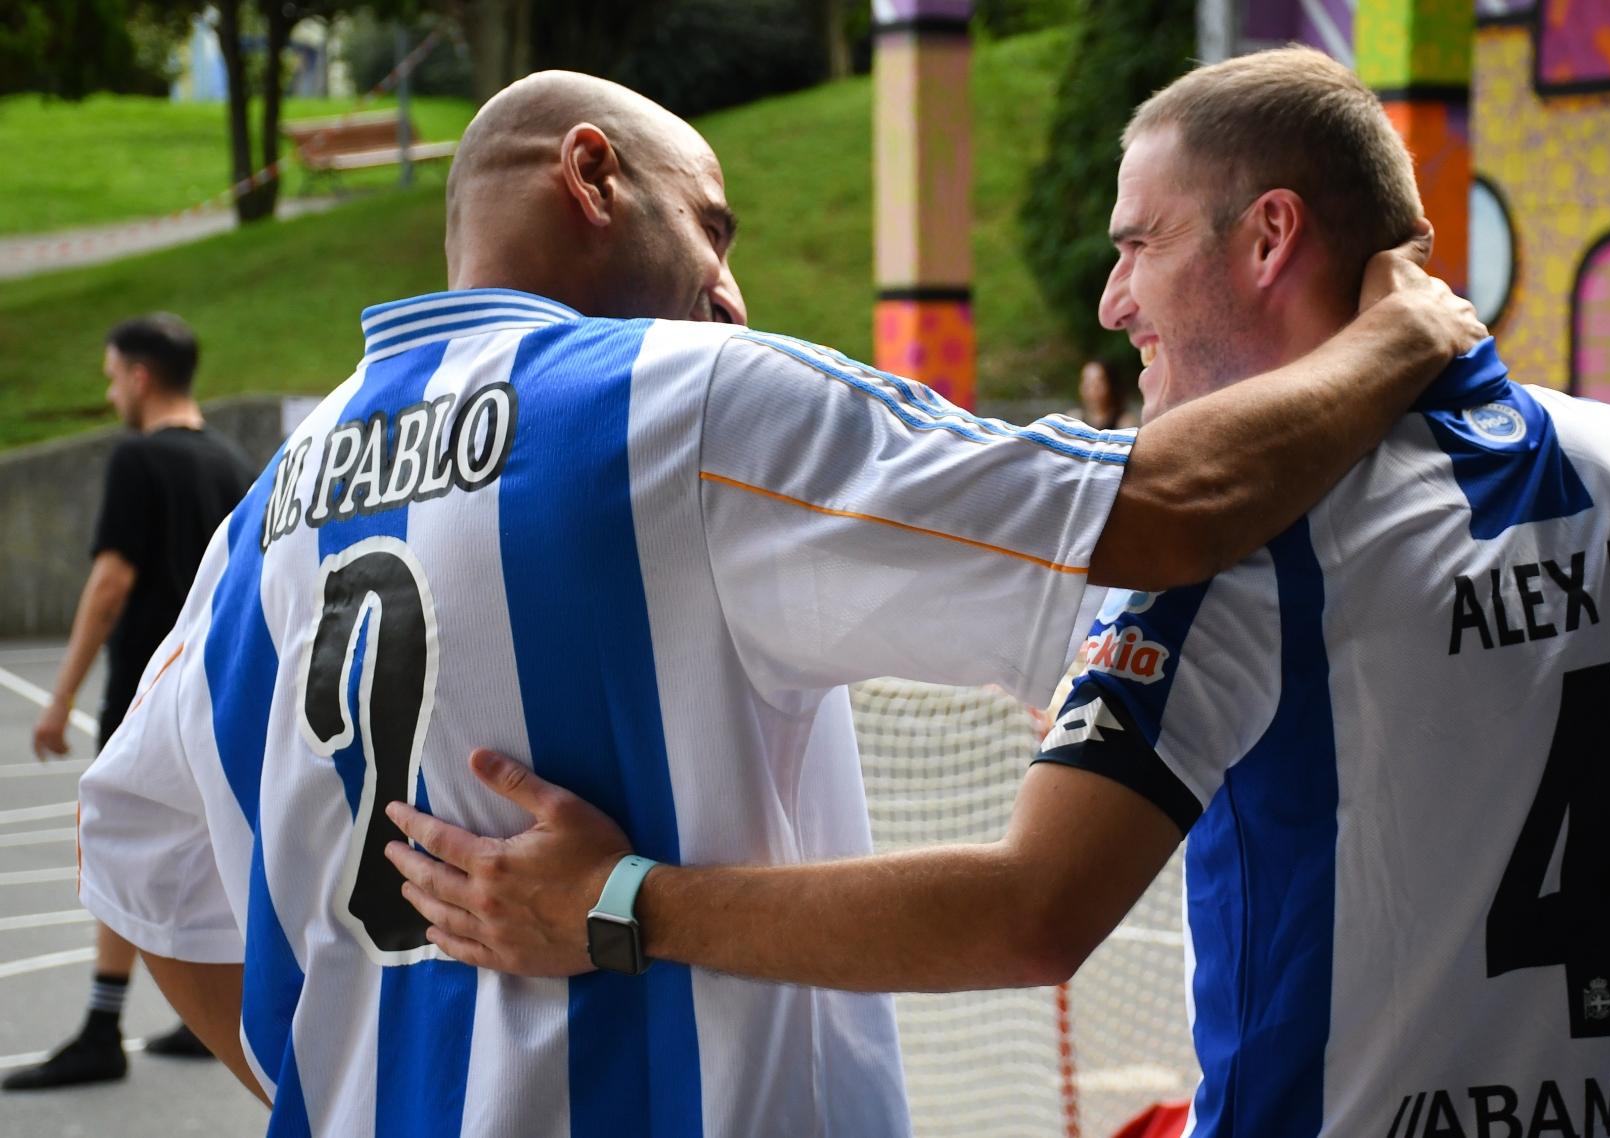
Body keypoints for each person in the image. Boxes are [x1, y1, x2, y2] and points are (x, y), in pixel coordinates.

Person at [382, 50, 1610, 1138]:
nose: (1114, 300)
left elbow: (1030, 909)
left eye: (1137, 245)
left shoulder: (1231, 538)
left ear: (1270, 237)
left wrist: (624, 905)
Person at [70, 70, 1485, 1136]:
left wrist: (329, 1087)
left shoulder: (276, 501)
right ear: (591, 175)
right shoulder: (675, 404)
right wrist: (1402, 332)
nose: (734, 295)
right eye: (715, 228)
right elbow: (1162, 510)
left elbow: (131, 834)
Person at [6, 315, 249, 1092]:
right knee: (219, 844)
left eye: (112, 376)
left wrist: (61, 696)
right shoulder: (236, 463)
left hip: (152, 690)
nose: (110, 391)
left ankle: (102, 1027)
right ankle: (206, 1011)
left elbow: (111, 583)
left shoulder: (139, 461)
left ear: (141, 376)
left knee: (127, 842)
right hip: (224, 691)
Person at [1077, 358, 1137, 430]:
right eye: (1087, 381)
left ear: (1111, 384)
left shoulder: (1125, 423)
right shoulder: (1074, 419)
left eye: (1098, 382)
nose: (1092, 388)